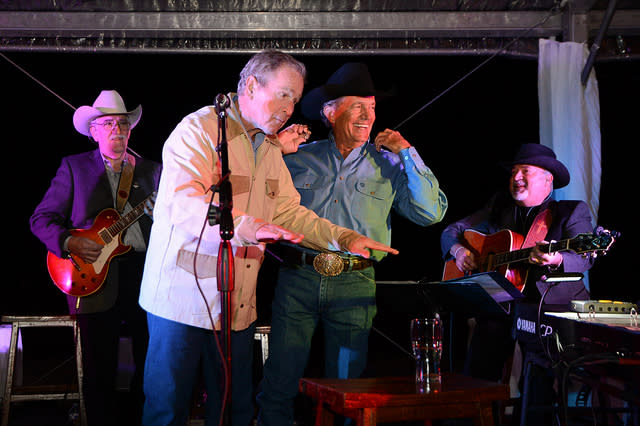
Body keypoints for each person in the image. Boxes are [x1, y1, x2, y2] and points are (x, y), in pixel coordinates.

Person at [138, 50, 398, 426]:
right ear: (251, 85)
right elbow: (180, 202)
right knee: (168, 411)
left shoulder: (269, 148)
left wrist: (345, 238)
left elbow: (290, 212)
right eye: (284, 94)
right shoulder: (199, 130)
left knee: (234, 412)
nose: (290, 107)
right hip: (182, 304)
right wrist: (247, 226)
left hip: (236, 308)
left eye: (295, 98)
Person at [256, 62, 448, 426]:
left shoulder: (389, 164)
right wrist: (273, 150)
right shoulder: (299, 155)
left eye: (372, 106)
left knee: (348, 387)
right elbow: (252, 195)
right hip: (298, 277)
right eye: (357, 105)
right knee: (279, 379)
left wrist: (407, 151)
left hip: (354, 281)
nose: (368, 115)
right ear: (331, 111)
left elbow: (430, 213)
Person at [30, 90, 162, 426]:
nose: (116, 129)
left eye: (122, 123)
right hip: (91, 276)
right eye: (107, 124)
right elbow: (41, 218)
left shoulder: (154, 172)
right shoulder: (74, 167)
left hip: (144, 274)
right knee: (98, 369)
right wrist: (70, 241)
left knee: (149, 365)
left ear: (130, 130)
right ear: (93, 131)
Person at [440, 143, 595, 424]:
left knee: (536, 387)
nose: (516, 178)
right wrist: (459, 251)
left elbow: (584, 259)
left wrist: (556, 258)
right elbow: (453, 231)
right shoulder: (499, 206)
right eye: (513, 172)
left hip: (545, 308)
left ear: (548, 179)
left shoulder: (570, 211)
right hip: (500, 302)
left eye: (525, 171)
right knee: (476, 376)